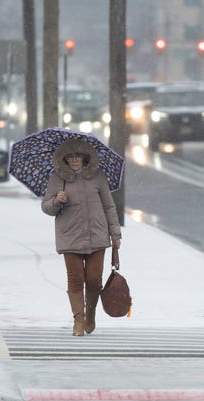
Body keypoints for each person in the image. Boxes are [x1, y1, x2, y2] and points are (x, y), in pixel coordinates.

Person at [41, 138, 122, 336]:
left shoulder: (98, 177)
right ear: (64, 159)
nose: (75, 160)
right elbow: (46, 207)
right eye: (70, 157)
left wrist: (115, 234)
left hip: (97, 235)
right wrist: (56, 201)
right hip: (70, 236)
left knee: (94, 280)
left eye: (78, 156)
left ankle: (90, 313)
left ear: (86, 158)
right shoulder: (57, 179)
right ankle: (78, 319)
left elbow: (109, 207)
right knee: (75, 279)